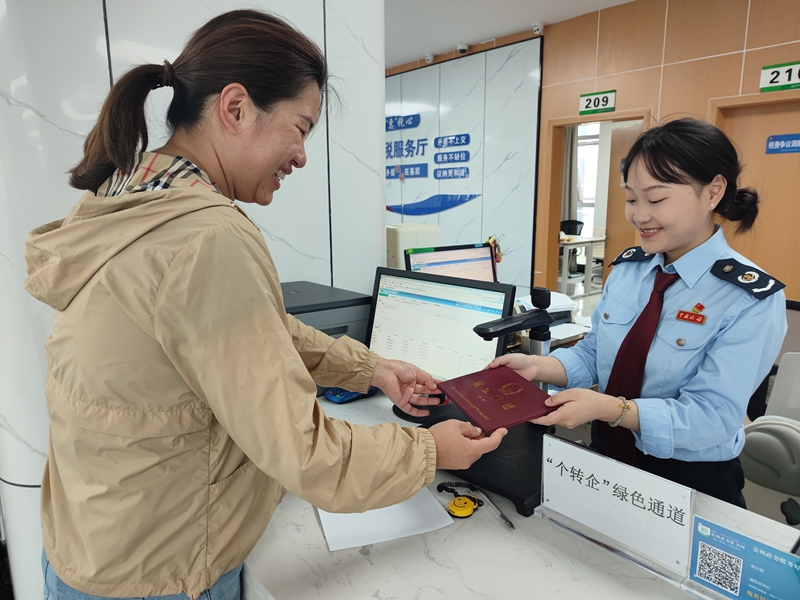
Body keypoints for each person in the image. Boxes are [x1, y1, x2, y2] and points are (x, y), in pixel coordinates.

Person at [24, 10, 506, 599]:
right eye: (300, 127)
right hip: (160, 573)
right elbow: (306, 452)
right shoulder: (208, 236)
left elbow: (246, 330)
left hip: (94, 541)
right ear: (236, 108)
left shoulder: (131, 195)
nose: (302, 156)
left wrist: (371, 369)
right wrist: (431, 450)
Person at [491, 118, 787, 508]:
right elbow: (597, 352)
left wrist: (613, 409)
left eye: (656, 199)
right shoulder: (630, 270)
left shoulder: (748, 298)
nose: (638, 215)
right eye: (631, 199)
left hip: (687, 480)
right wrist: (539, 368)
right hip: (606, 461)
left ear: (713, 191)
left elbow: (712, 420)